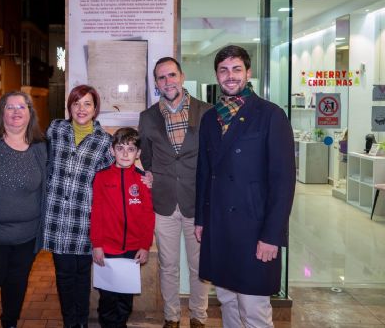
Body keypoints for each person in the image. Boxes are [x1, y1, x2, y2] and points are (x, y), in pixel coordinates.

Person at [194, 45, 296, 328]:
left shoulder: (270, 115)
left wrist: (272, 236)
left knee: (254, 308)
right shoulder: (210, 119)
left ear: (248, 72)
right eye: (224, 70)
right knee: (227, 300)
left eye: (236, 69)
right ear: (216, 75)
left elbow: (283, 182)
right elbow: (205, 174)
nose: (230, 76)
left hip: (255, 229)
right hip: (220, 227)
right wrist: (201, 220)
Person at [138, 57, 212, 328]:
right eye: (161, 78)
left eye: (171, 75)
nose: (167, 82)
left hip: (197, 204)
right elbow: (147, 157)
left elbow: (213, 158)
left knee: (199, 266)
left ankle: (198, 317)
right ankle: (171, 317)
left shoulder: (207, 112)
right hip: (164, 202)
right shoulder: (147, 118)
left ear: (182, 76)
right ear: (156, 84)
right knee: (168, 266)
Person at [42, 84, 115, 328]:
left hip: (85, 218)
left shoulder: (105, 141)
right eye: (76, 103)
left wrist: (142, 176)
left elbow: (113, 177)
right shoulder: (55, 129)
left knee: (82, 276)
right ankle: (69, 322)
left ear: (95, 109)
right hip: (56, 216)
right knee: (63, 275)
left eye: (87, 104)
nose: (81, 109)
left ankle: (81, 322)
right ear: (69, 106)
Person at [0, 91, 47, 328]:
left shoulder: (41, 146)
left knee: (16, 287)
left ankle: (10, 323)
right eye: (10, 107)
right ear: (0, 112)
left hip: (27, 238)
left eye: (22, 107)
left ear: (30, 113)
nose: (16, 112)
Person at [90, 127, 155, 328]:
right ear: (112, 151)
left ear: (138, 153)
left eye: (130, 149)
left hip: (132, 251)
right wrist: (97, 245)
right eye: (120, 148)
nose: (125, 153)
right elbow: (97, 213)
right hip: (107, 249)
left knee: (125, 300)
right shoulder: (101, 177)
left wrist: (145, 246)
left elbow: (148, 215)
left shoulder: (143, 180)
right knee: (108, 299)